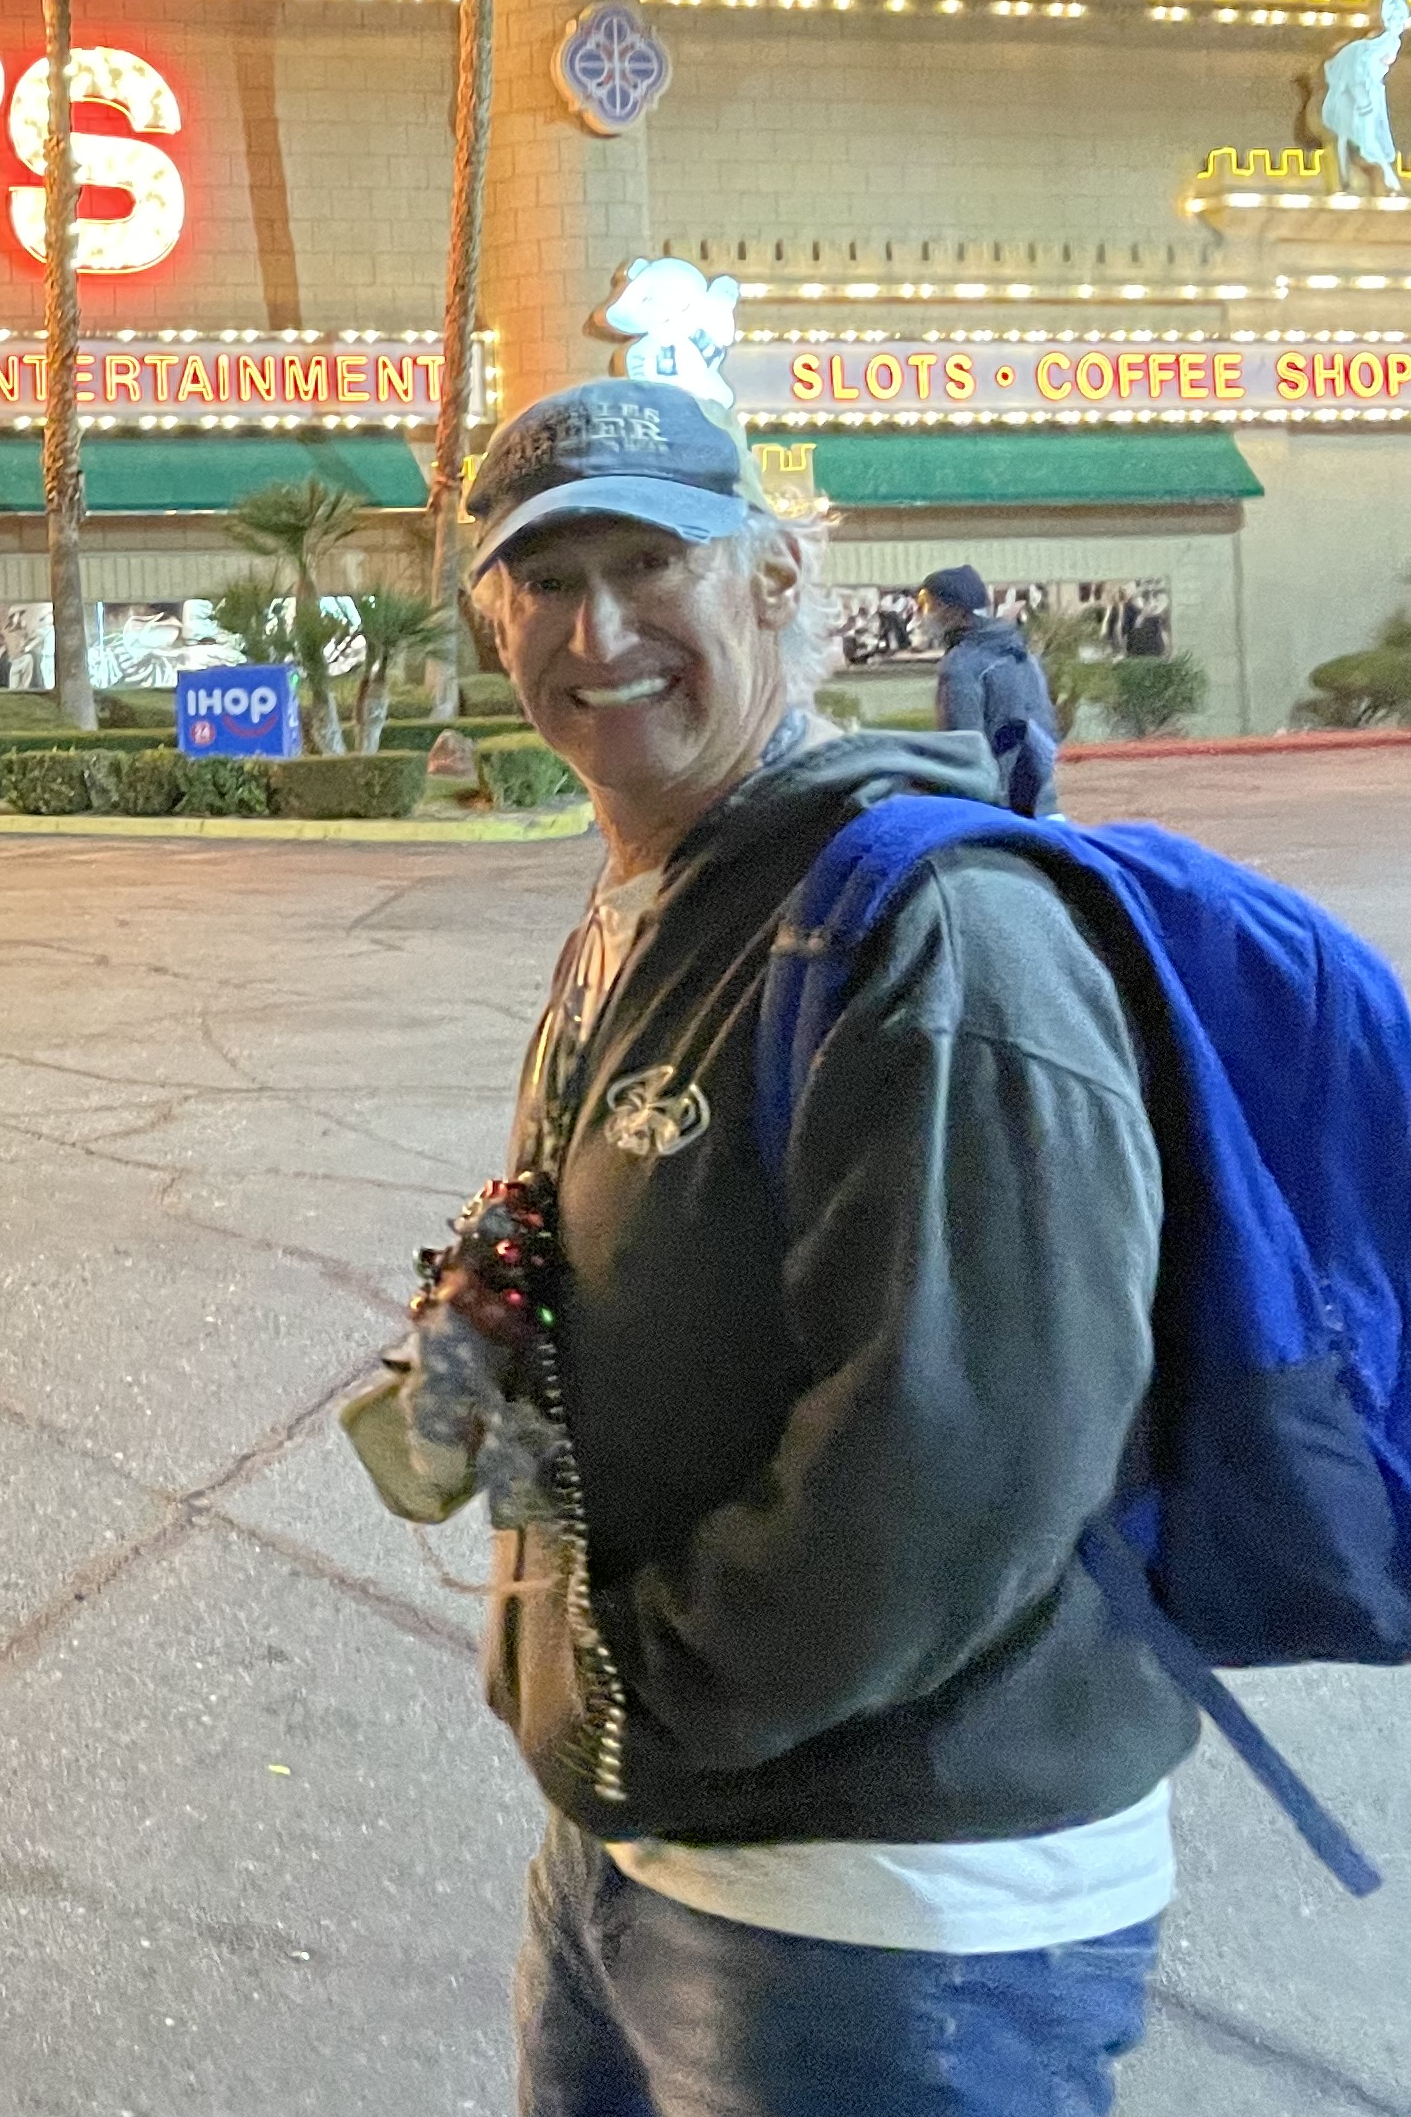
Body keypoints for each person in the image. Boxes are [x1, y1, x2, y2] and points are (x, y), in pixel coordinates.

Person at [409, 382, 1188, 2116]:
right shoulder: (661, 902)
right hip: (647, 1847)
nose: (597, 632)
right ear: (492, 619)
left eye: (648, 564)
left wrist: (646, 1700)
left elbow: (963, 1455)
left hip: (886, 1914)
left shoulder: (932, 931)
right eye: (547, 583)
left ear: (771, 578)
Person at [920, 566, 1063, 812]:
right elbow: (1045, 725)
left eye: (930, 604)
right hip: (1044, 799)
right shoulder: (1020, 651)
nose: (925, 614)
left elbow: (964, 746)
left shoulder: (962, 663)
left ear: (954, 609)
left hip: (997, 807)